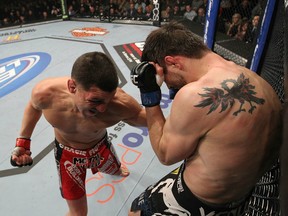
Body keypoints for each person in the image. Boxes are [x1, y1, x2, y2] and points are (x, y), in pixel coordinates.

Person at [129, 21, 282, 215]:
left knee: (136, 210)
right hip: (243, 194)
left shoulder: (195, 95)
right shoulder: (257, 79)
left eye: (164, 77)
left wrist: (149, 94)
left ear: (172, 62)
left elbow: (165, 154)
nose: (167, 84)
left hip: (203, 201)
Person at [10, 51, 147, 216]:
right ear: (72, 87)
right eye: (95, 100)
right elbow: (33, 106)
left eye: (107, 100)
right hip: (67, 156)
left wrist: (154, 96)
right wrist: (23, 142)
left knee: (115, 169)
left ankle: (114, 168)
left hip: (100, 146)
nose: (102, 109)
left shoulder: (121, 105)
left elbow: (155, 124)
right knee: (78, 214)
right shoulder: (45, 94)